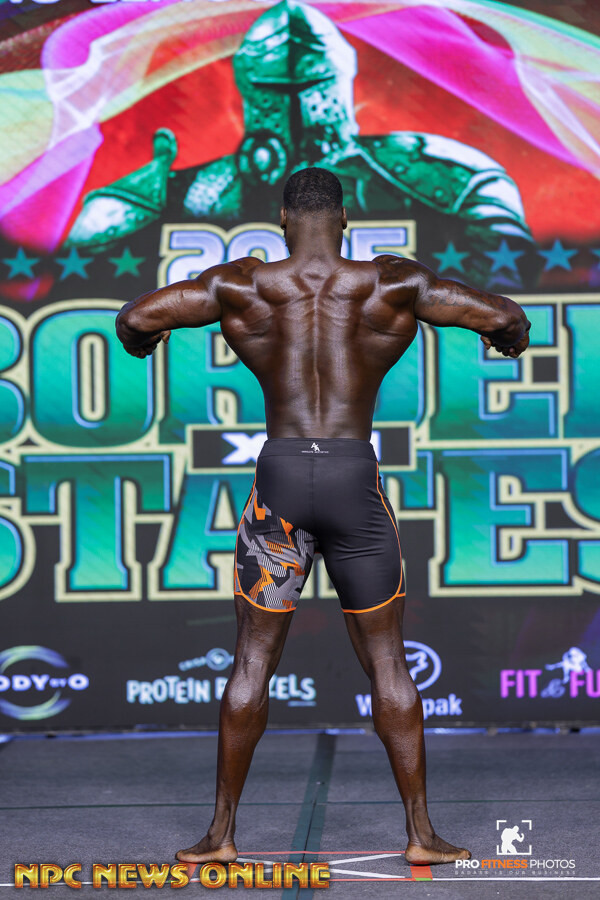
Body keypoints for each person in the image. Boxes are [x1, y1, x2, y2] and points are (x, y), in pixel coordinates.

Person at [116, 167, 530, 867]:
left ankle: (221, 835)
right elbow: (504, 316)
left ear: (282, 219)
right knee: (388, 661)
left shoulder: (241, 284)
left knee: (253, 658)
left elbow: (135, 319)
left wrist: (145, 344)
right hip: (352, 480)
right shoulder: (391, 282)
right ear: (346, 219)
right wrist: (508, 342)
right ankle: (421, 834)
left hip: (280, 482)